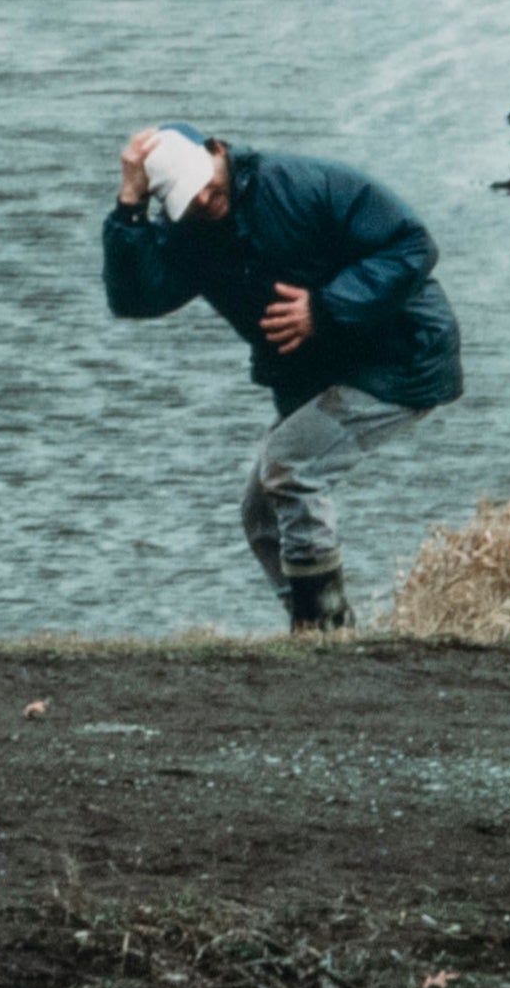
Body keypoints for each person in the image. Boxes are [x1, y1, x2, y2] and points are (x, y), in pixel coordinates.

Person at [101, 122, 467, 629]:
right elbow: (135, 298)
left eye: (208, 184)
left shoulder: (302, 184)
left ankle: (324, 631)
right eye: (190, 197)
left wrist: (326, 308)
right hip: (322, 374)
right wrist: (129, 208)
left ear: (217, 149)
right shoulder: (191, 232)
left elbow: (411, 246)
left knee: (292, 470)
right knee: (261, 512)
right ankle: (315, 630)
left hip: (401, 353)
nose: (206, 199)